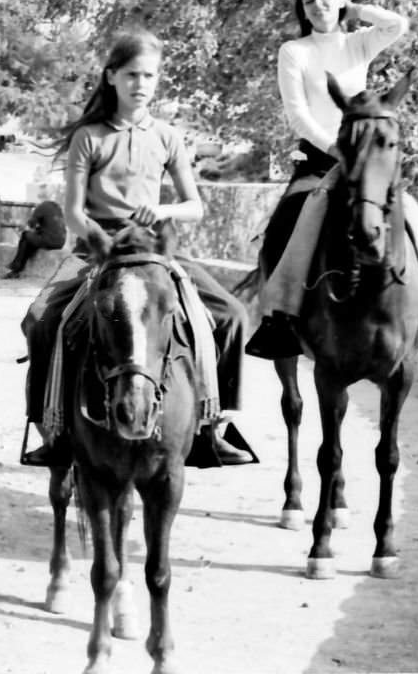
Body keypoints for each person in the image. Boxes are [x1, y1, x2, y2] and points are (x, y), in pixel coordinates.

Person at [20, 29, 254, 467]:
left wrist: (162, 212)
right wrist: (101, 241)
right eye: (131, 74)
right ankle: (50, 427)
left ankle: (212, 426)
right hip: (96, 246)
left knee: (232, 316)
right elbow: (73, 213)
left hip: (153, 250)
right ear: (111, 77)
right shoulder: (89, 136)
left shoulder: (167, 136)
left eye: (149, 75)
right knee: (40, 319)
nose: (140, 83)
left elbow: (194, 207)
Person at [245, 0, 418, 362]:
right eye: (309, 1)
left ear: (337, 0)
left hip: (364, 159)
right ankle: (279, 319)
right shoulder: (294, 51)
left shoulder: (357, 42)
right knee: (299, 217)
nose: (318, 5)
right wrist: (335, 150)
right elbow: (297, 114)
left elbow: (398, 25)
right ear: (302, 11)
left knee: (415, 217)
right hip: (320, 159)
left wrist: (355, 10)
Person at [0, 197, 66, 279]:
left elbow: (31, 224)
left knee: (25, 235)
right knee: (30, 242)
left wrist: (25, 227)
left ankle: (16, 266)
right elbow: (50, 228)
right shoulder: (56, 207)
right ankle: (16, 269)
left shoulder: (41, 207)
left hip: (49, 240)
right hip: (61, 241)